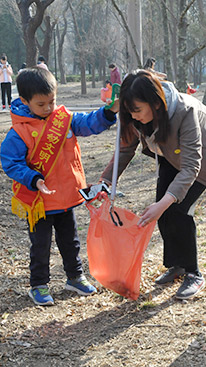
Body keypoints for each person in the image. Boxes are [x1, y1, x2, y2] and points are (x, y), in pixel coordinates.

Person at [100, 70, 206, 300]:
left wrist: (165, 202)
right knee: (163, 212)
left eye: (138, 110)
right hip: (170, 154)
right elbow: (125, 148)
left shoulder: (184, 111)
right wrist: (106, 182)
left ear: (156, 104)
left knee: (178, 210)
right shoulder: (132, 114)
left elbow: (191, 167)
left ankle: (193, 273)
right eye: (129, 111)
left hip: (202, 156)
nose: (133, 116)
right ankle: (176, 265)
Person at [0, 67, 119, 306]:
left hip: (67, 196)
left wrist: (109, 112)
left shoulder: (64, 119)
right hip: (40, 202)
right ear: (24, 101)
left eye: (52, 102)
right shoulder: (19, 131)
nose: (48, 108)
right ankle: (39, 285)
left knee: (70, 241)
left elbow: (88, 124)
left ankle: (74, 277)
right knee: (40, 245)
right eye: (41, 104)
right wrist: (33, 178)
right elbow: (10, 162)